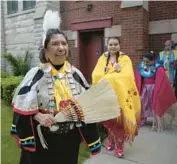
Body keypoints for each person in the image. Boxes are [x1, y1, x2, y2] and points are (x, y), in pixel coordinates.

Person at [10, 10, 101, 164]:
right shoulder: (35, 75)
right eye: (55, 44)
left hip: (70, 141)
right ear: (45, 51)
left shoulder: (75, 74)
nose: (61, 48)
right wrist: (37, 115)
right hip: (43, 141)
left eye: (64, 43)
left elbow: (88, 106)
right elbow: (21, 107)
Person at [92, 37, 141, 158]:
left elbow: (127, 76)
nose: (113, 46)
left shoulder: (125, 59)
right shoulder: (102, 58)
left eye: (115, 44)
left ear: (119, 45)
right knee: (108, 122)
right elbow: (96, 74)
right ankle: (110, 141)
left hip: (121, 97)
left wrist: (108, 76)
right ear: (107, 45)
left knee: (119, 124)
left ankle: (119, 147)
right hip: (106, 97)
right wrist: (114, 72)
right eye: (110, 44)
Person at [135, 52, 177, 131]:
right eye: (144, 61)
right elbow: (137, 77)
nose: (145, 63)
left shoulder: (158, 68)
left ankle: (156, 121)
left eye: (147, 61)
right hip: (144, 89)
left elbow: (162, 80)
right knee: (143, 104)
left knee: (153, 105)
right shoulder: (141, 67)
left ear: (153, 60)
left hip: (154, 89)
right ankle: (142, 119)